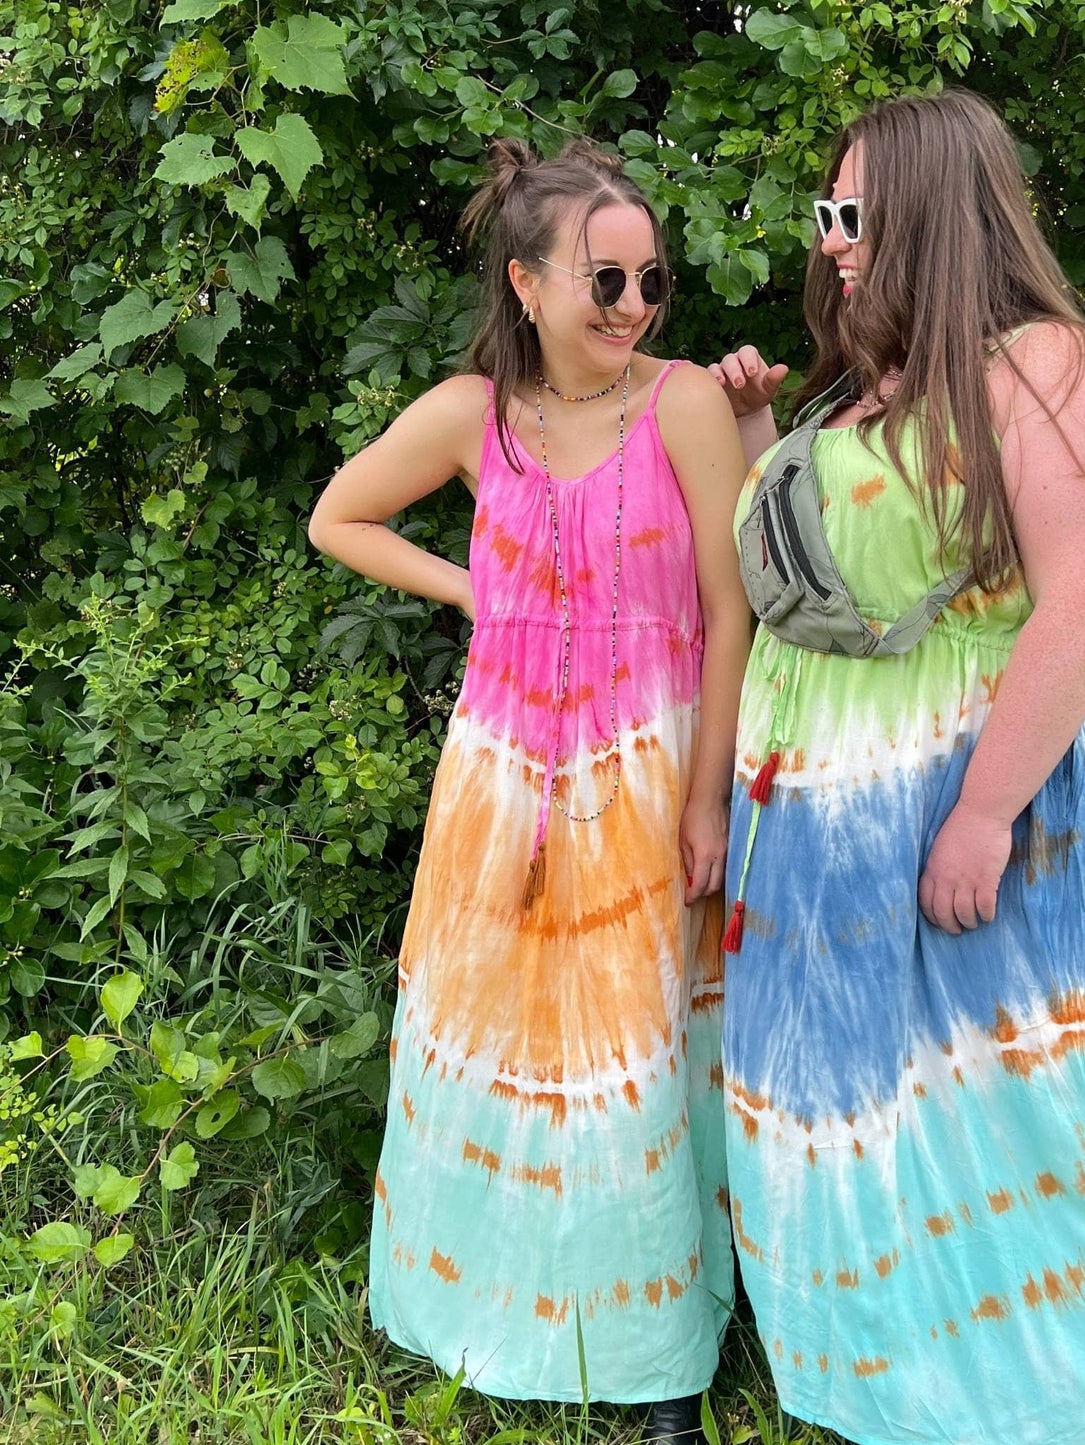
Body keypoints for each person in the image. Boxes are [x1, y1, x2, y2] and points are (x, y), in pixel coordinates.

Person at [708, 90, 1085, 1445]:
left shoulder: (1052, 366)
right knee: (878, 1102)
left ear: (936, 210)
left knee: (1017, 1103)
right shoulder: (871, 383)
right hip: (830, 819)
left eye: (852, 214)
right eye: (825, 216)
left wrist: (982, 814)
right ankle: (895, 1378)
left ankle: (1067, 1403)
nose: (829, 243)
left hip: (981, 799)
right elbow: (824, 586)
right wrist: (768, 438)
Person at [308, 137, 750, 1444]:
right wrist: (471, 590)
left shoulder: (682, 407)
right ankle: (478, 1315)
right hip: (500, 780)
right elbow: (342, 515)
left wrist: (708, 795)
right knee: (497, 1041)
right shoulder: (467, 416)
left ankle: (658, 1355)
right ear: (526, 282)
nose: (630, 305)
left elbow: (730, 615)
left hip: (646, 773)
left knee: (640, 1060)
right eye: (601, 281)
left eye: (649, 280)